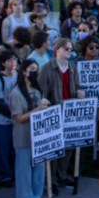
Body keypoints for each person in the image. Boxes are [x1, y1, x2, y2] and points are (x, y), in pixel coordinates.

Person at [36, 38, 85, 188]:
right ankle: (51, 180)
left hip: (70, 112)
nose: (69, 52)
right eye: (66, 49)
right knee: (54, 148)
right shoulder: (46, 68)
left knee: (69, 146)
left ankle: (62, 175)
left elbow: (77, 85)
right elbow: (41, 91)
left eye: (71, 49)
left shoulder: (72, 68)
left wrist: (80, 92)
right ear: (57, 49)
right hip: (54, 111)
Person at [10, 58, 50, 198]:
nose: (35, 72)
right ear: (24, 72)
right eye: (32, 69)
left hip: (38, 136)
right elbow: (18, 117)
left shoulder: (36, 89)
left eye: (36, 69)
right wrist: (38, 109)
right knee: (24, 169)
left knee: (38, 167)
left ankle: (36, 195)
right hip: (23, 136)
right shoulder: (16, 93)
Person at [0, 50, 18, 187]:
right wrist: (15, 115)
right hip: (2, 122)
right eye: (10, 60)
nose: (13, 63)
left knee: (14, 149)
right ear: (3, 63)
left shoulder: (18, 75)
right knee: (3, 150)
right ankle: (4, 176)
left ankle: (14, 173)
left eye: (14, 60)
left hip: (16, 121)